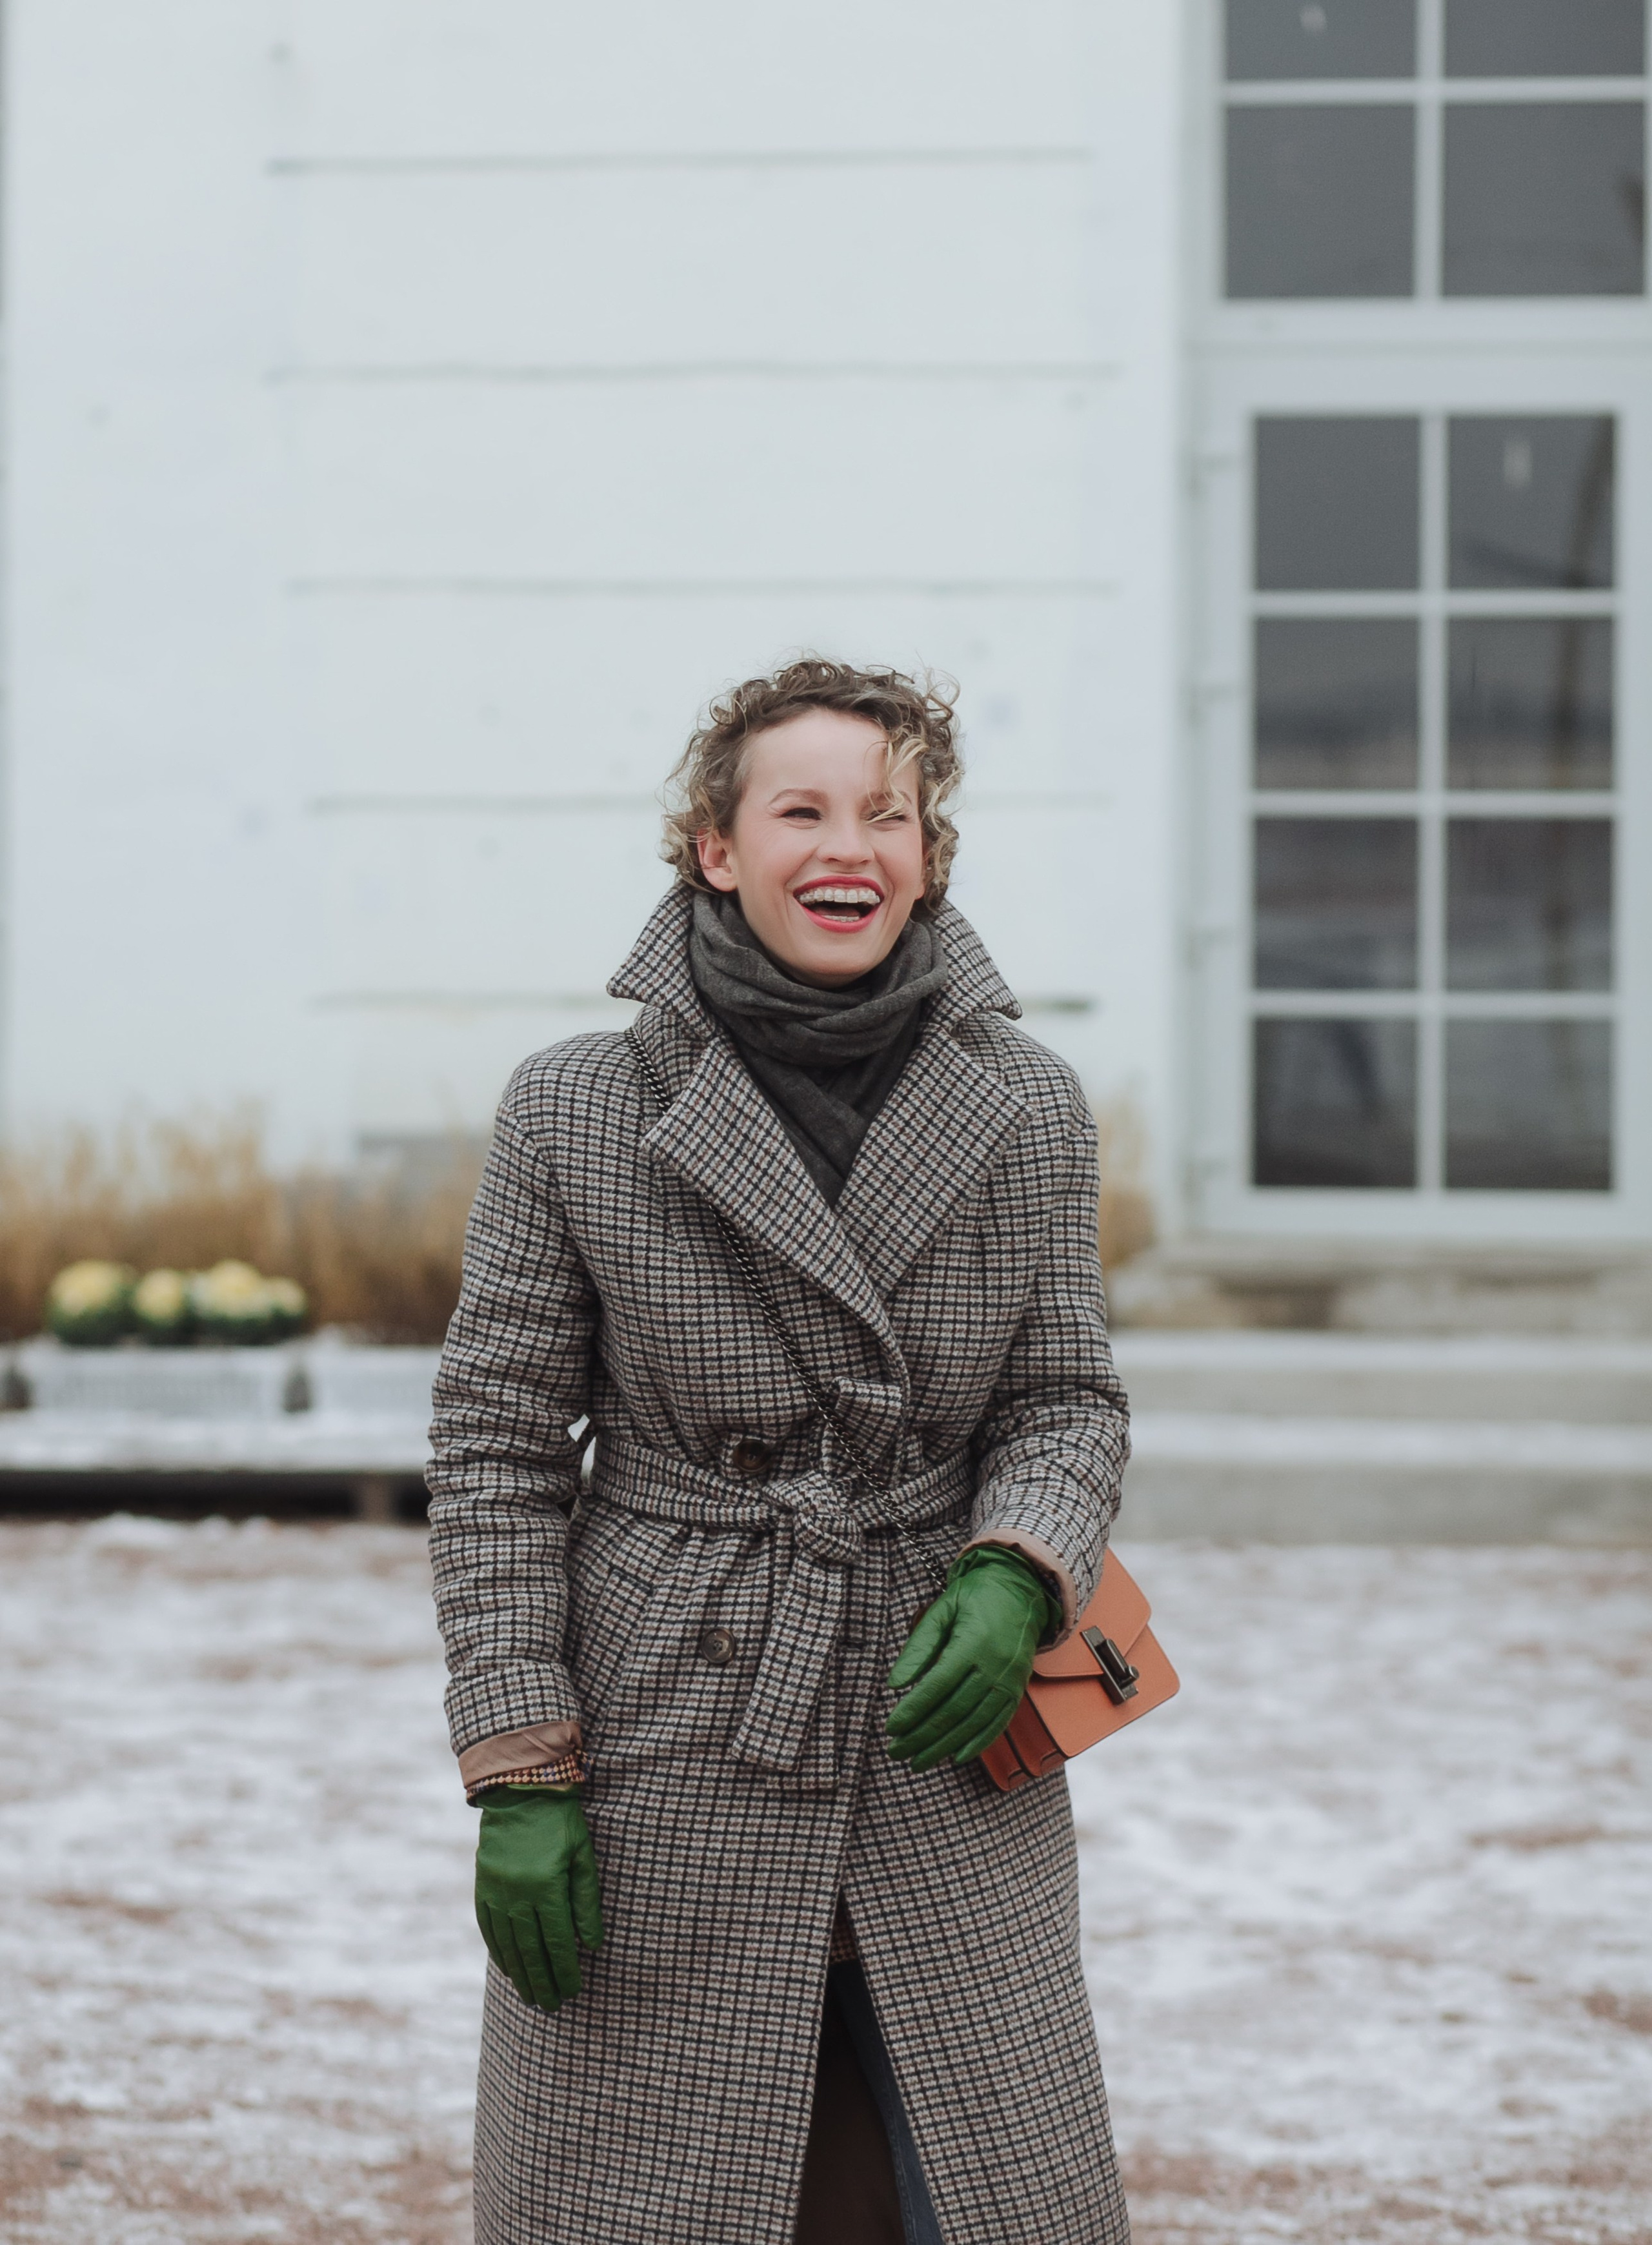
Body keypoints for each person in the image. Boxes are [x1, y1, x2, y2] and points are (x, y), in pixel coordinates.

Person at [427, 657, 1133, 2244]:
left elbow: (1064, 1398)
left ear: (930, 854)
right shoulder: (575, 1109)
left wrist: (1021, 1567)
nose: (848, 846)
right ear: (714, 847)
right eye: (798, 807)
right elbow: (495, 1444)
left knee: (972, 2179)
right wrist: (517, 1763)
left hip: (938, 1712)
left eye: (887, 812)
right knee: (658, 2189)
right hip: (671, 1720)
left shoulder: (1025, 1103)